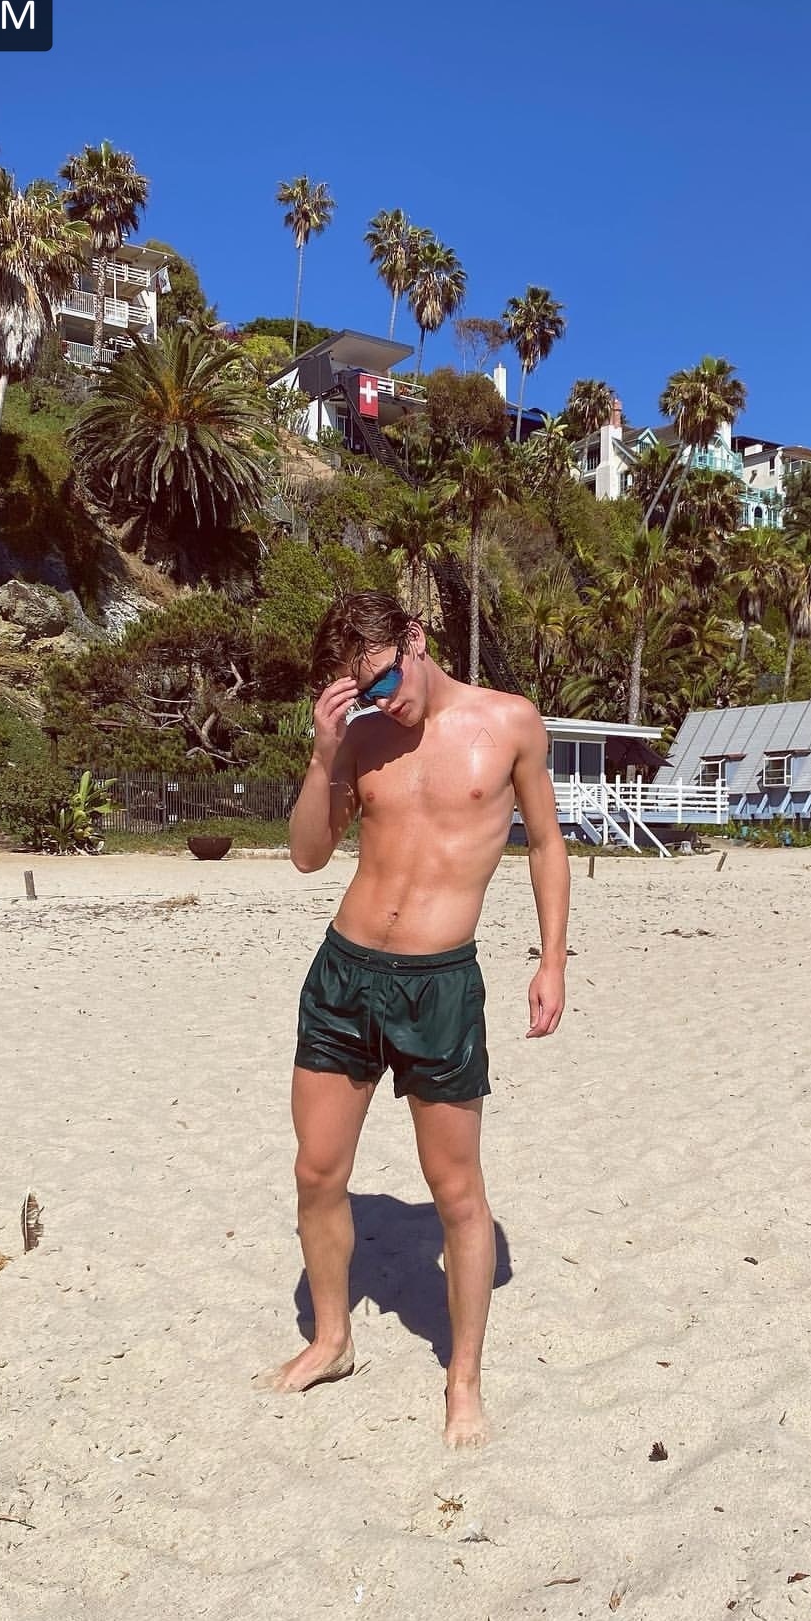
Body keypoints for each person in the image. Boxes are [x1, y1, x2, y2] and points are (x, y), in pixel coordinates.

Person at [256, 592, 570, 1448]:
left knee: (456, 1191)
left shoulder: (509, 723)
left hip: (440, 986)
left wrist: (551, 959)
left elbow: (546, 842)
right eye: (361, 690)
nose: (381, 699)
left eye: (386, 678)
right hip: (346, 974)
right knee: (317, 1171)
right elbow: (308, 855)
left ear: (417, 640)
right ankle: (332, 1340)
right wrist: (323, 755)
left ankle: (463, 1380)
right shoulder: (359, 739)